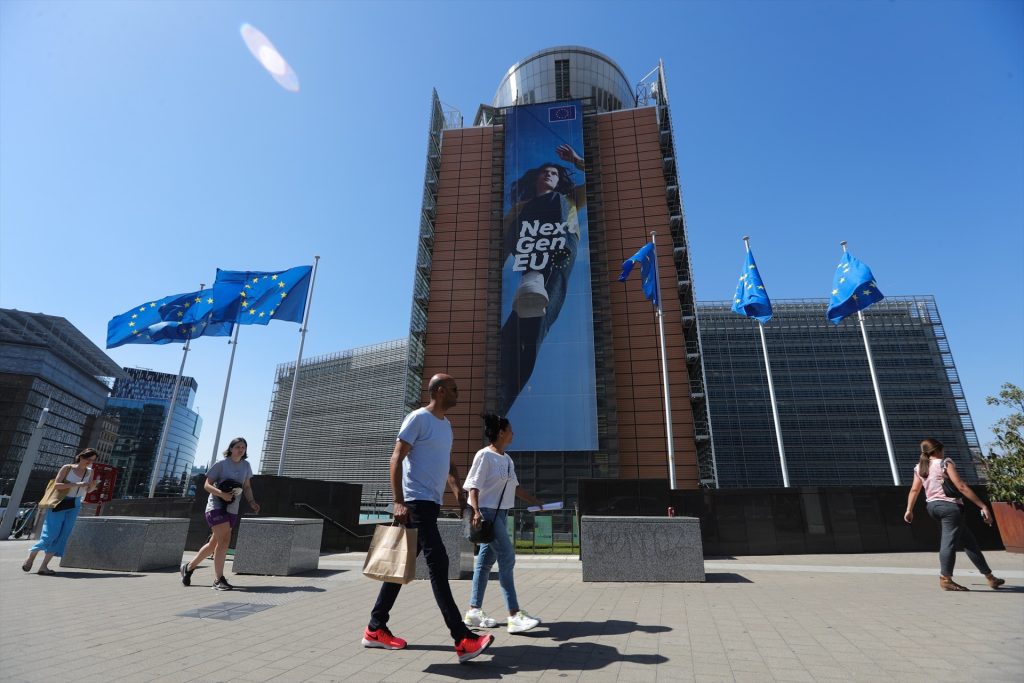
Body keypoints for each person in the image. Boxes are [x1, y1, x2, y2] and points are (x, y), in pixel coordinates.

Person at [361, 373, 495, 664]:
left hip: (431, 504)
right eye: (456, 389)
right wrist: (398, 501)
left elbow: (448, 463)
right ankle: (462, 638)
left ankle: (375, 628)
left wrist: (457, 490)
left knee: (402, 567)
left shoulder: (446, 426)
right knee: (438, 562)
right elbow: (396, 458)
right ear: (441, 390)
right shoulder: (418, 418)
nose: (459, 393)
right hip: (415, 503)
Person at [499, 144, 586, 416]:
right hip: (529, 251)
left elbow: (600, 177)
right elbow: (501, 246)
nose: (549, 175)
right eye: (544, 172)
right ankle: (501, 398)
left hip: (559, 248)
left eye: (554, 173)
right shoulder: (520, 208)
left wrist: (576, 160)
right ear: (536, 177)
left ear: (560, 179)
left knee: (533, 326)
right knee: (511, 341)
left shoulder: (569, 199)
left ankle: (537, 280)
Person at [463, 414, 544, 634]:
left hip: (500, 514)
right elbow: (473, 486)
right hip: (487, 514)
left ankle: (473, 610)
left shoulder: (507, 459)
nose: (513, 433)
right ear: (501, 432)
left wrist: (536, 502)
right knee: (507, 556)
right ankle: (514, 615)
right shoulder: (484, 456)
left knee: (485, 562)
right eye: (510, 429)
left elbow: (514, 488)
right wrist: (477, 512)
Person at [904, 438, 1005, 591]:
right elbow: (961, 486)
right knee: (948, 543)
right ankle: (946, 578)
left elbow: (914, 490)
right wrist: (983, 506)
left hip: (932, 507)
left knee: (969, 543)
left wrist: (909, 510)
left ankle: (990, 578)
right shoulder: (945, 463)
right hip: (949, 507)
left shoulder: (920, 468)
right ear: (938, 450)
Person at [181, 437, 260, 590]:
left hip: (232, 508)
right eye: (238, 446)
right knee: (224, 542)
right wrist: (221, 494)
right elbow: (207, 485)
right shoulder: (221, 464)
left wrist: (252, 502)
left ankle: (189, 568)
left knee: (214, 544)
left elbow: (247, 487)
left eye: (243, 447)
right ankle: (219, 580)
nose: (241, 449)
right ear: (231, 448)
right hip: (216, 506)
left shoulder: (246, 466)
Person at [22, 448, 100, 574]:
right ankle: (31, 556)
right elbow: (57, 485)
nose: (90, 462)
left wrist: (93, 486)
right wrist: (76, 484)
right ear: (81, 457)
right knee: (51, 534)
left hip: (75, 503)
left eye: (92, 460)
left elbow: (88, 490)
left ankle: (44, 566)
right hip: (60, 501)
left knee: (63, 535)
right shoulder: (67, 468)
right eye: (88, 459)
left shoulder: (90, 472)